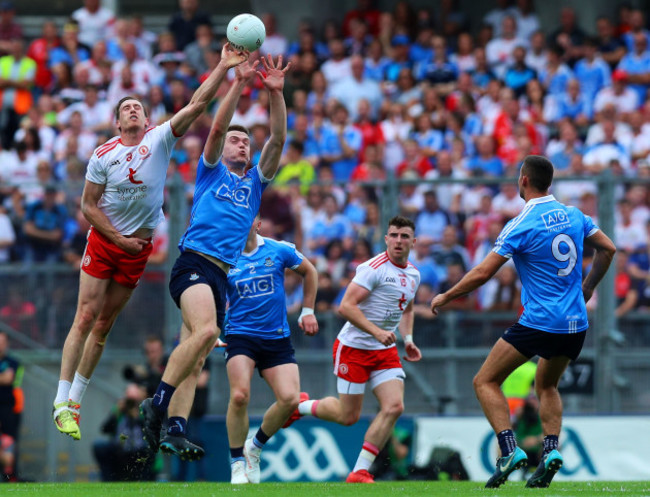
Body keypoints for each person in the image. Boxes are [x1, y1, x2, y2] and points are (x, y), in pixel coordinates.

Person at [52, 43, 250, 441]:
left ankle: (76, 402)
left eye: (138, 106)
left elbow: (196, 104)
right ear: (116, 121)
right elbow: (88, 206)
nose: (133, 109)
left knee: (105, 325)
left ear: (145, 118)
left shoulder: (159, 139)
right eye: (126, 107)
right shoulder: (102, 156)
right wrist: (117, 240)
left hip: (137, 250)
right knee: (86, 317)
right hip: (107, 242)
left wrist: (224, 66)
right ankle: (61, 402)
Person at [430, 155, 616, 489]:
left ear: (524, 180)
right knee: (547, 385)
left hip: (539, 321)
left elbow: (484, 272)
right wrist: (587, 287)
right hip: (575, 323)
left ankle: (508, 450)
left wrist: (446, 295)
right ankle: (550, 451)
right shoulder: (574, 215)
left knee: (484, 381)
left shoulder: (521, 223)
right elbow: (609, 249)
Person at [139, 53, 291, 461]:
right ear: (224, 148)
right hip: (193, 263)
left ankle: (175, 427)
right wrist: (239, 82)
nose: (243, 144)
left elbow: (277, 140)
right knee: (206, 333)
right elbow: (219, 125)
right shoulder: (211, 170)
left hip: (220, 274)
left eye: (247, 142)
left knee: (196, 350)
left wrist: (276, 93)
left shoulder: (255, 184)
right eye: (237, 141)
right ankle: (156, 403)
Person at [285, 215, 422, 484]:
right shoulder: (373, 268)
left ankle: (359, 471)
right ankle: (301, 406)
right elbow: (345, 306)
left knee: (394, 407)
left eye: (404, 236)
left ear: (413, 242)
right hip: (354, 348)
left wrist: (407, 339)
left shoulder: (414, 274)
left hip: (384, 351)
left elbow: (408, 308)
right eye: (393, 235)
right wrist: (378, 331)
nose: (398, 241)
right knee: (348, 417)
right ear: (386, 239)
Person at [225, 215, 319, 484]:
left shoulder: (279, 250)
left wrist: (308, 311)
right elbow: (213, 296)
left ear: (257, 223)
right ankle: (236, 464)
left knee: (290, 399)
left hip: (275, 338)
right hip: (241, 336)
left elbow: (310, 271)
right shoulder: (224, 256)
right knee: (240, 395)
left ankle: (254, 447)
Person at [92, 383, 155, 481]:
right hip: (119, 448)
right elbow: (104, 429)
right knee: (99, 446)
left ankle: (143, 481)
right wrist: (116, 412)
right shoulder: (118, 411)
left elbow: (152, 431)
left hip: (138, 449)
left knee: (150, 451)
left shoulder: (144, 410)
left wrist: (138, 418)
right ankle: (107, 481)